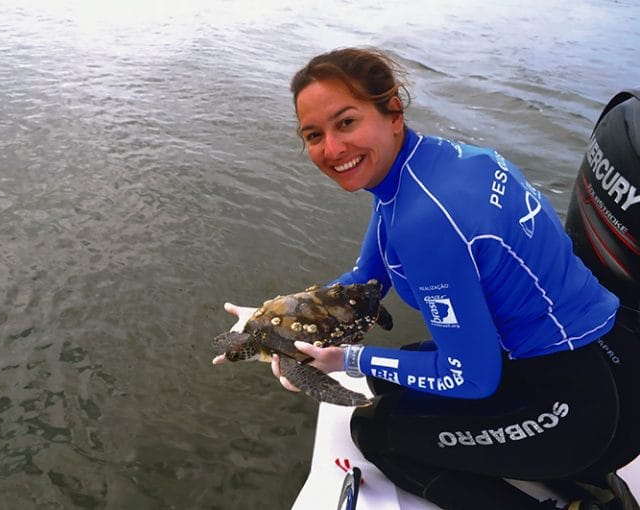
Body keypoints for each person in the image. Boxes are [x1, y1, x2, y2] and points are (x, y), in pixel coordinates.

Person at [213, 47, 640, 510]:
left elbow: (470, 378)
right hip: (604, 352)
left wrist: (348, 358)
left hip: (579, 402)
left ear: (392, 111)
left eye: (346, 123)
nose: (331, 149)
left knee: (377, 433)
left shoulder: (425, 222)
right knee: (387, 383)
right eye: (313, 134)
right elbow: (363, 283)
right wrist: (273, 321)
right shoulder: (427, 168)